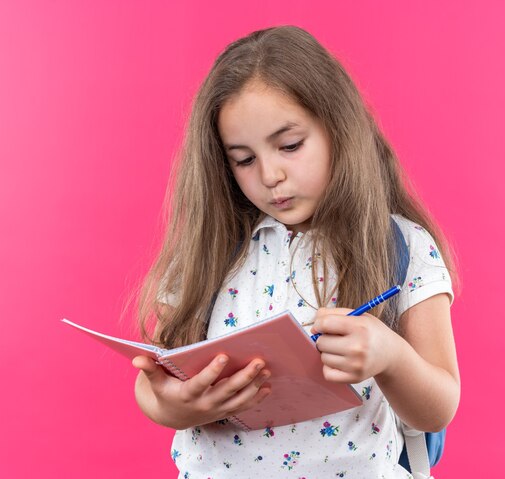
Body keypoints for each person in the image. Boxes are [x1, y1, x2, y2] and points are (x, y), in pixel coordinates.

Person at [132, 25, 460, 478]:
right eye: (243, 159)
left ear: (339, 130)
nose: (269, 175)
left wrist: (392, 358)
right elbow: (154, 384)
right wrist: (173, 405)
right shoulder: (211, 250)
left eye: (289, 146)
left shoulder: (401, 245)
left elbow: (438, 408)